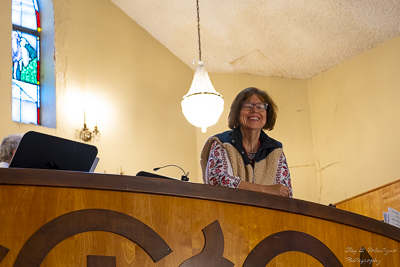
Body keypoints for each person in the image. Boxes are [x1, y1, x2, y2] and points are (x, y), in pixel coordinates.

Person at [200, 87, 292, 198]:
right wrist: (266, 189)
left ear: (267, 113)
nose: (254, 110)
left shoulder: (276, 150)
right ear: (237, 112)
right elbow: (218, 181)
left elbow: (284, 193)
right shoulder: (221, 143)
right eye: (248, 106)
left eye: (260, 106)